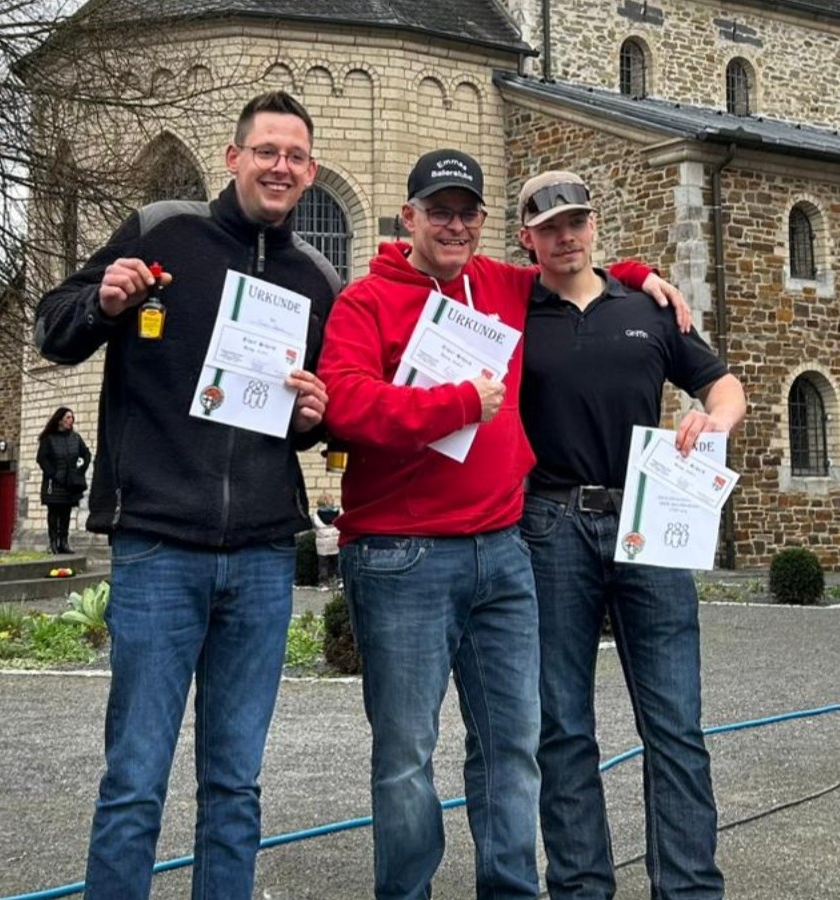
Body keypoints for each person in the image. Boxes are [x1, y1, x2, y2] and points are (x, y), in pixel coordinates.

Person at [317, 149, 687, 900]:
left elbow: (573, 262)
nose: (454, 224)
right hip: (401, 556)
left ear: (487, 224)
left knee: (514, 748)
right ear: (409, 218)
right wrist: (454, 404)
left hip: (503, 550)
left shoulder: (499, 285)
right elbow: (345, 404)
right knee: (405, 756)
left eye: (467, 211)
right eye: (439, 210)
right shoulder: (364, 302)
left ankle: (511, 891)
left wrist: (641, 273)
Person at [33, 90, 339, 900]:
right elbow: (52, 327)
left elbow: (311, 419)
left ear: (309, 174)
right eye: (266, 150)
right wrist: (102, 303)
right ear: (234, 157)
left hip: (265, 556)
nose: (281, 166)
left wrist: (315, 415)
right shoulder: (161, 233)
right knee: (135, 778)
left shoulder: (317, 277)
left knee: (235, 786)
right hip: (160, 546)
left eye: (296, 157)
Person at [516, 170, 747, 900]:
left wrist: (714, 421)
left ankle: (687, 889)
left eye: (576, 221)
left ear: (593, 226)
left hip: (653, 519)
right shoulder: (511, 311)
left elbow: (725, 384)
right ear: (528, 238)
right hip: (551, 521)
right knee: (562, 726)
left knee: (675, 722)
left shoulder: (647, 308)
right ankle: (581, 888)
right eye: (550, 226)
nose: (566, 236)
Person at [36, 406, 92, 554]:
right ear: (60, 420)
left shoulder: (75, 438)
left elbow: (86, 454)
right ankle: (53, 542)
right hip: (53, 483)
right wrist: (53, 473)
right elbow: (42, 458)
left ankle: (64, 542)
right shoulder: (49, 439)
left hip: (70, 483)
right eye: (68, 417)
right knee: (54, 513)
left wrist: (80, 470)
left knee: (66, 513)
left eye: (72, 418)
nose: (71, 420)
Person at [311, 494, 340, 585]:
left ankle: (323, 582)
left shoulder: (315, 516)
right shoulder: (339, 514)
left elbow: (313, 527)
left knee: (323, 565)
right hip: (335, 542)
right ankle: (339, 580)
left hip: (322, 544)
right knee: (337, 563)